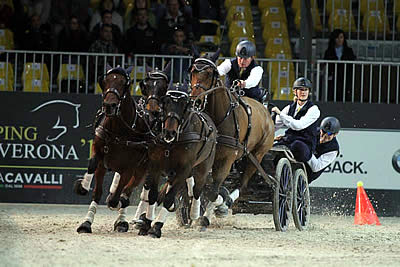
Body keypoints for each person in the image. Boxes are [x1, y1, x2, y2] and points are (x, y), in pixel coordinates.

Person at [271, 77, 321, 163]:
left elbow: (298, 126)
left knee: (296, 145)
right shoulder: (289, 108)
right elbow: (274, 126)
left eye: (306, 90)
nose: (304, 92)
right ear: (295, 92)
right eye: (301, 89)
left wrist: (280, 113)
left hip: (305, 145)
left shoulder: (314, 110)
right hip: (289, 141)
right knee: (271, 150)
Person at [323, 28, 356, 102]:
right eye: (337, 38)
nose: (339, 40)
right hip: (333, 78)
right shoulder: (329, 51)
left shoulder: (348, 51)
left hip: (345, 77)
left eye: (341, 37)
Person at [306, 116, 341, 184]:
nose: (325, 136)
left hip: (309, 173)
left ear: (335, 134)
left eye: (329, 134)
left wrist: (306, 150)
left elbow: (316, 167)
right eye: (323, 132)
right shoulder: (313, 132)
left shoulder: (333, 149)